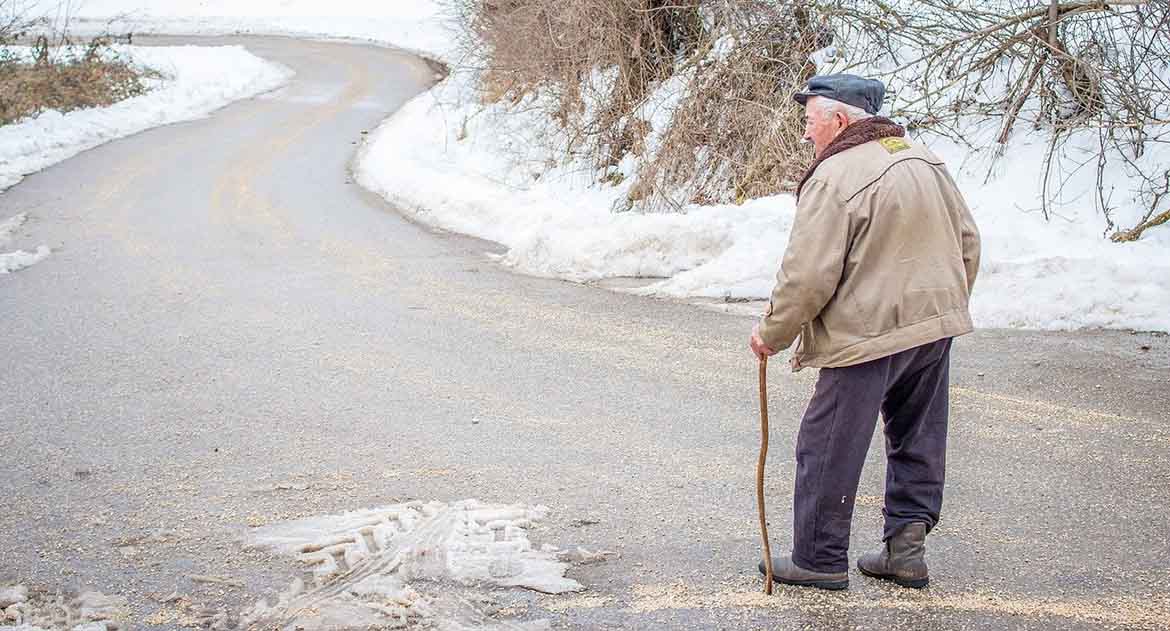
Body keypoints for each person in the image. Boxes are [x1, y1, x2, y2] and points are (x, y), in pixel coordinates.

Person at [749, 74, 981, 591]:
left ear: (838, 119)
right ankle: (905, 550)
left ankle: (817, 559)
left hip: (869, 332)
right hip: (933, 324)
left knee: (827, 443)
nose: (806, 135)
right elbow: (968, 241)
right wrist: (944, 303)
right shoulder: (925, 159)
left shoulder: (835, 175)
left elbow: (807, 274)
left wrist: (774, 332)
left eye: (809, 122)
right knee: (917, 436)